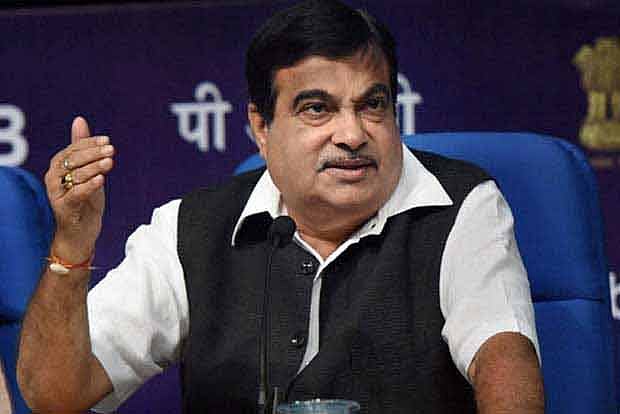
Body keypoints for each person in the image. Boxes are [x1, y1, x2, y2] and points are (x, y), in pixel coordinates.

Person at [17, 0, 544, 413]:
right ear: (261, 127)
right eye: (318, 109)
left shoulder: (462, 207)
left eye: (372, 104)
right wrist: (73, 243)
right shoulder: (190, 231)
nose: (353, 133)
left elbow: (504, 361)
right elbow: (55, 396)